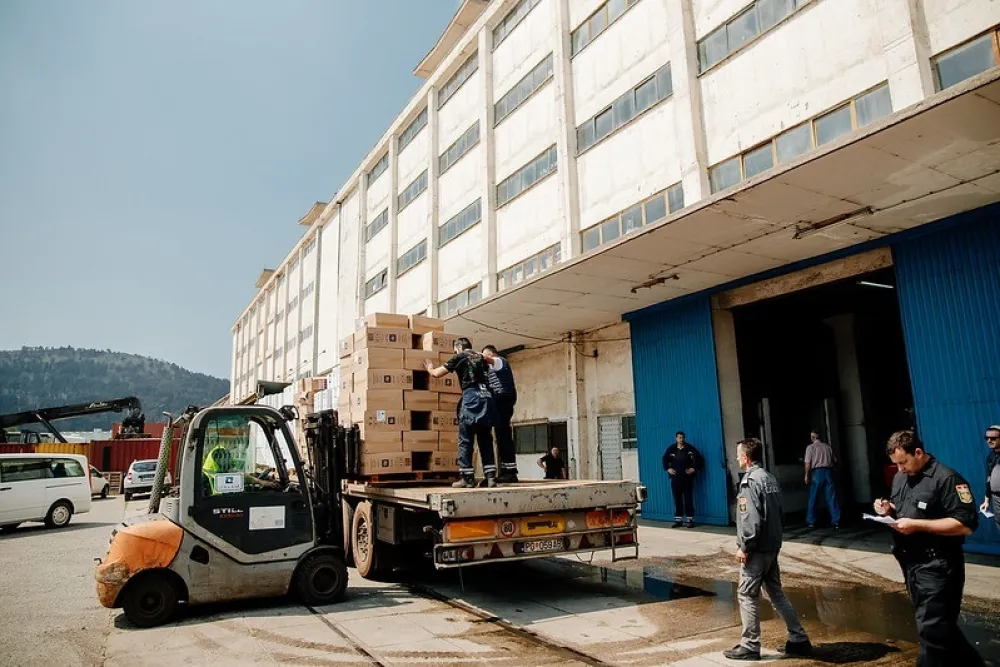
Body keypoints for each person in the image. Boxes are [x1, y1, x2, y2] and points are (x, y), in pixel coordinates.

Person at [873, 430, 983, 667]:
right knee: (941, 628)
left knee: (930, 630)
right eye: (895, 464)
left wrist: (917, 525)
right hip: (911, 564)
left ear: (919, 452)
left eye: (903, 462)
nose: (900, 468)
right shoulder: (901, 477)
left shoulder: (947, 479)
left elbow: (965, 525)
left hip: (939, 565)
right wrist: (888, 509)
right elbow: (904, 507)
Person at [723, 437, 811, 661]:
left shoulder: (749, 482)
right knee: (776, 593)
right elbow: (778, 512)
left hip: (757, 549)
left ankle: (750, 645)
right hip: (772, 546)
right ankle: (799, 639)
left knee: (746, 594)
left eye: (738, 454)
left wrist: (745, 546)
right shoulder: (769, 478)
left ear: (746, 457)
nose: (736, 458)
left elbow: (751, 520)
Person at [425, 338, 498, 488]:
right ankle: (491, 478)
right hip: (487, 397)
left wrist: (430, 369)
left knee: (465, 440)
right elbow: (494, 363)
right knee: (485, 439)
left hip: (471, 399)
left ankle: (467, 478)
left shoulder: (459, 357)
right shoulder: (481, 356)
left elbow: (437, 374)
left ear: (458, 348)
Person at [482, 344, 519, 483]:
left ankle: (510, 471)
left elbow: (488, 360)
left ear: (491, 354)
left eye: (486, 355)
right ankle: (507, 469)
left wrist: (470, 355)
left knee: (503, 435)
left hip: (503, 401)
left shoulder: (499, 361)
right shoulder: (492, 368)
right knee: (501, 435)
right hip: (500, 403)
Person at [662, 431, 701, 528]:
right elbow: (664, 459)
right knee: (677, 499)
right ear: (676, 438)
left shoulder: (690, 449)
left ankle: (690, 520)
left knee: (688, 499)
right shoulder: (671, 449)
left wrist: (693, 468)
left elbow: (699, 459)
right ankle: (678, 520)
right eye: (679, 437)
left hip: (687, 478)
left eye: (683, 437)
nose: (681, 439)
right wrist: (668, 469)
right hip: (675, 479)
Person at [804, 430, 840, 529]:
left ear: (812, 438)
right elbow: (835, 461)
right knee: (832, 497)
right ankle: (836, 520)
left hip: (816, 473)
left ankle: (811, 521)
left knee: (813, 498)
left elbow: (808, 463)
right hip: (828, 472)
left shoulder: (810, 448)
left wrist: (806, 475)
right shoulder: (828, 447)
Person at [981, 425, 1000, 530]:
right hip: (996, 499)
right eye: (987, 438)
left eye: (993, 438)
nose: (989, 441)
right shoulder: (991, 458)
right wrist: (986, 500)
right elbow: (989, 480)